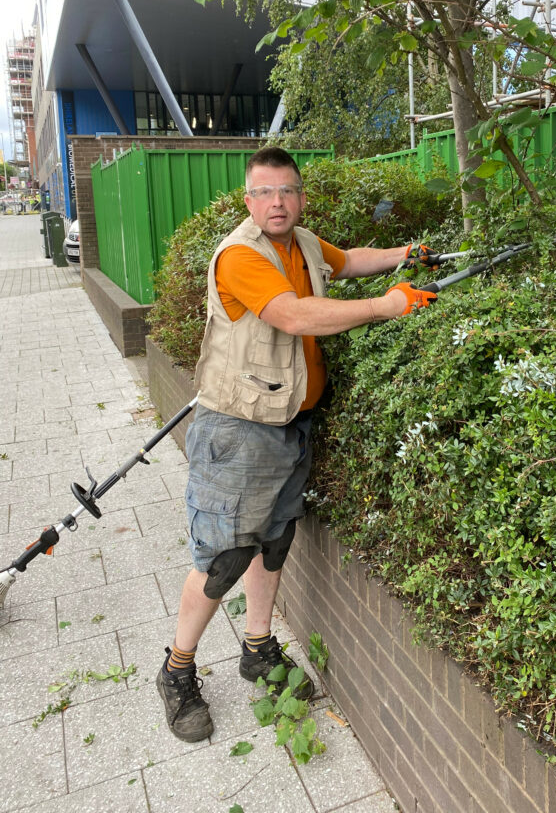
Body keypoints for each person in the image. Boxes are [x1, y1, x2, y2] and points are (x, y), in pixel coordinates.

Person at [157, 146, 439, 741]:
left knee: (274, 541)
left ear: (301, 196)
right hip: (239, 431)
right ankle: (177, 668)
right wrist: (391, 306)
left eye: (286, 190)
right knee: (223, 556)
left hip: (291, 424)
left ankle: (257, 648)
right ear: (247, 199)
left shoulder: (305, 243)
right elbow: (294, 316)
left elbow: (348, 261)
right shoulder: (241, 256)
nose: (277, 202)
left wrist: (403, 257)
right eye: (264, 192)